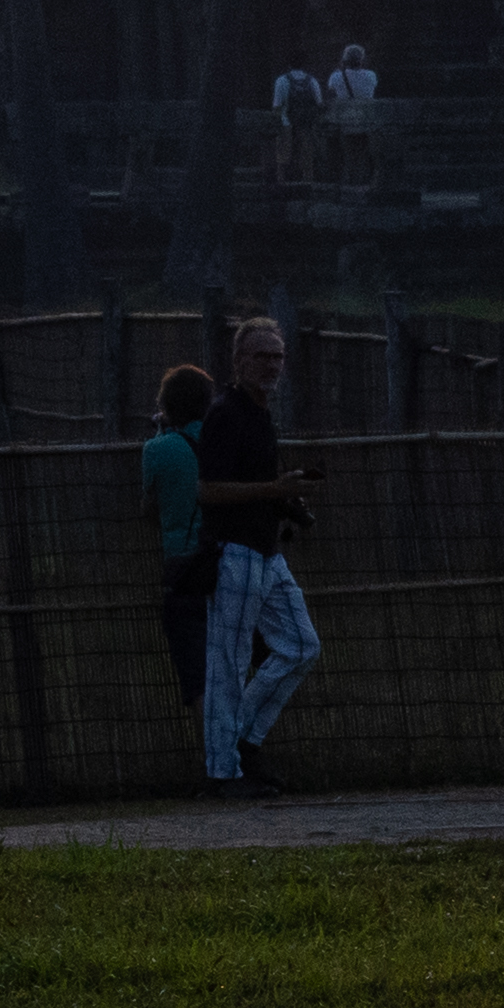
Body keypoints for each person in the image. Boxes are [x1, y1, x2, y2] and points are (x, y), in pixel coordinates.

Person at [191, 333, 310, 792]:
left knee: (302, 645)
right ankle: (223, 771)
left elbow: (258, 483)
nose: (273, 364)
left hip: (265, 550)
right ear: (238, 359)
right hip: (233, 551)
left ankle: (241, 742)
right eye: (262, 355)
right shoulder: (224, 414)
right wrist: (274, 491)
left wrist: (286, 497)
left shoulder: (260, 414)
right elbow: (208, 490)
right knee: (229, 661)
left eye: (278, 356)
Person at [133, 360, 219, 780]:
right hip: (225, 562)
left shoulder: (157, 450)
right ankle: (238, 756)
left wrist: (160, 435)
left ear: (165, 407)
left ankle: (213, 763)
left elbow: (149, 507)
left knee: (196, 672)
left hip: (182, 568)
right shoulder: (222, 442)